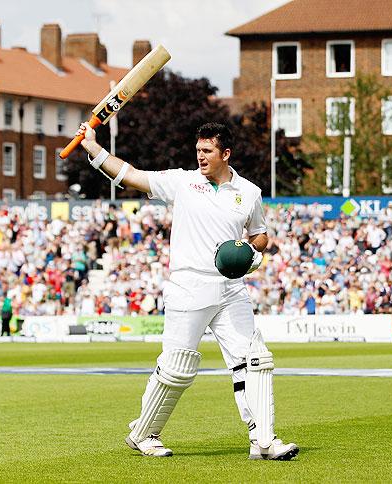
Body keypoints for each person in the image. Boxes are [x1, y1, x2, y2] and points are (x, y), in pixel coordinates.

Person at [76, 121, 299, 460]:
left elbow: (259, 234)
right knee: (177, 366)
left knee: (254, 360)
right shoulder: (183, 182)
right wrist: (93, 148)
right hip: (189, 286)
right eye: (198, 150)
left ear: (226, 153)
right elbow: (131, 175)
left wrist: (251, 252)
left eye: (207, 151)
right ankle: (143, 433)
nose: (201, 156)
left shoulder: (250, 192)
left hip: (231, 288)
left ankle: (264, 441)